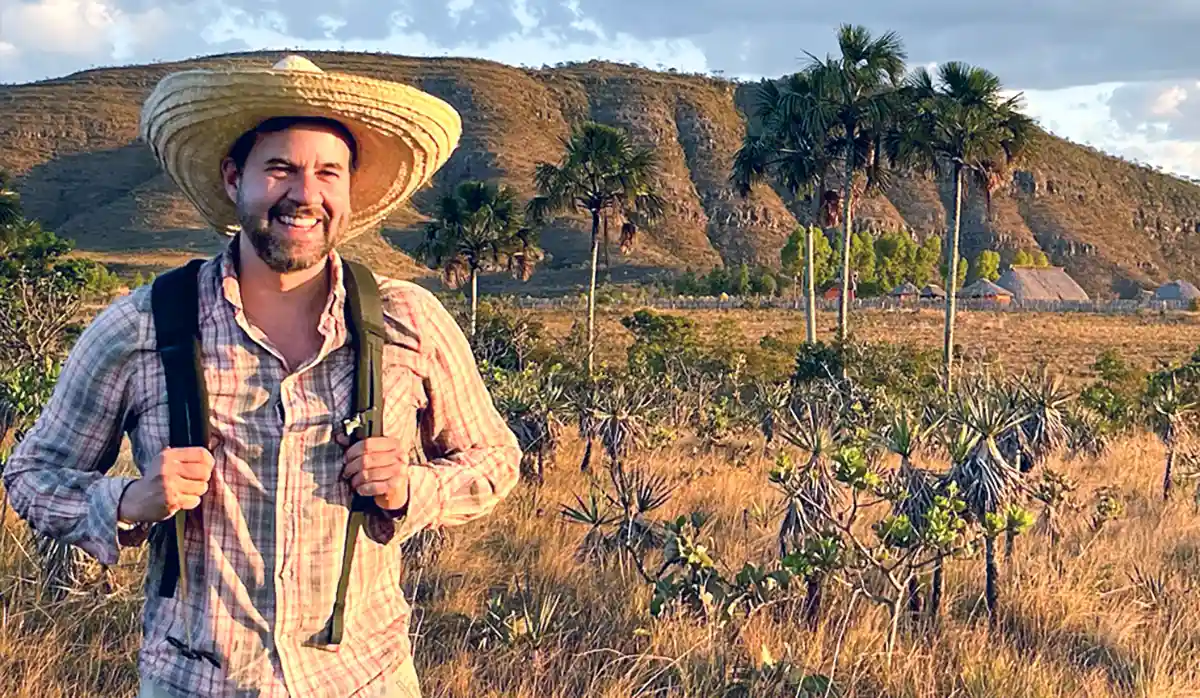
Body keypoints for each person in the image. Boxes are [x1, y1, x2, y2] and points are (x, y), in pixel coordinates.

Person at [1, 54, 522, 697]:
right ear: (232, 178)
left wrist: (411, 488)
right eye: (280, 168)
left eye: (328, 171)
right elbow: (30, 476)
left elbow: (494, 459)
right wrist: (128, 502)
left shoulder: (408, 320)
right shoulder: (142, 326)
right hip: (198, 682)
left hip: (363, 679)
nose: (304, 194)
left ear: (349, 190)